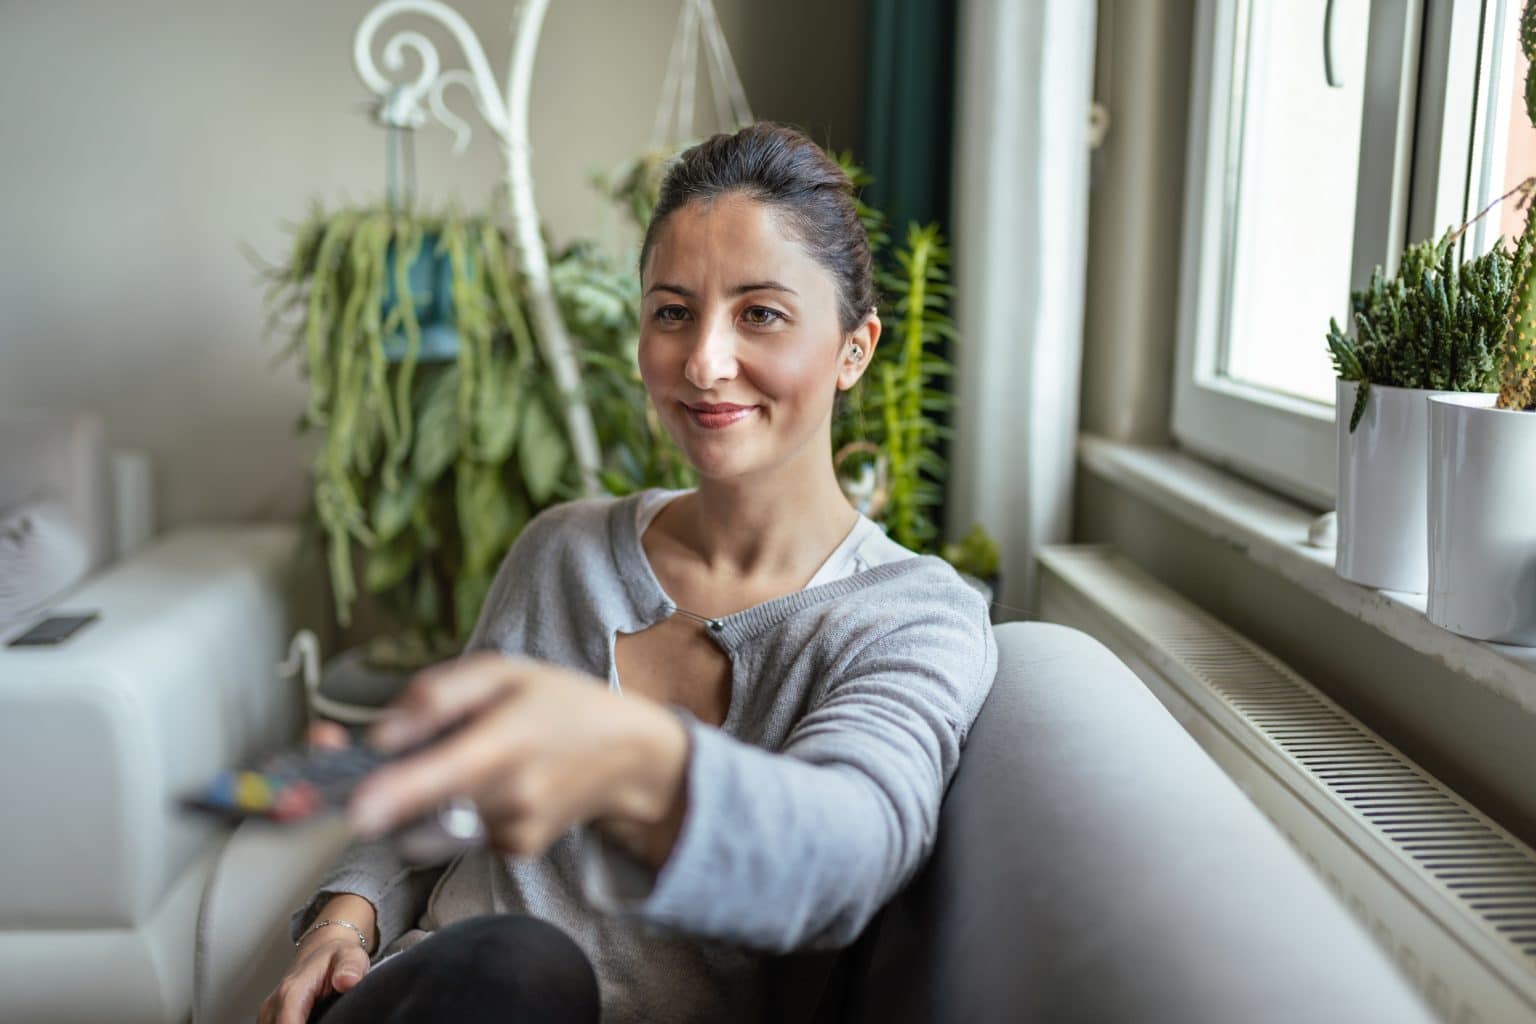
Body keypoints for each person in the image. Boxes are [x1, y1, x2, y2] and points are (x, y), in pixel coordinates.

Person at [260, 121, 998, 1024]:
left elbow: (847, 853)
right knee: (510, 966)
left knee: (530, 968)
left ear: (856, 349)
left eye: (760, 313)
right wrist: (344, 919)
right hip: (437, 993)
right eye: (673, 312)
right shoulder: (562, 550)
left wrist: (626, 761)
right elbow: (441, 792)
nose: (703, 362)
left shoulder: (913, 616)